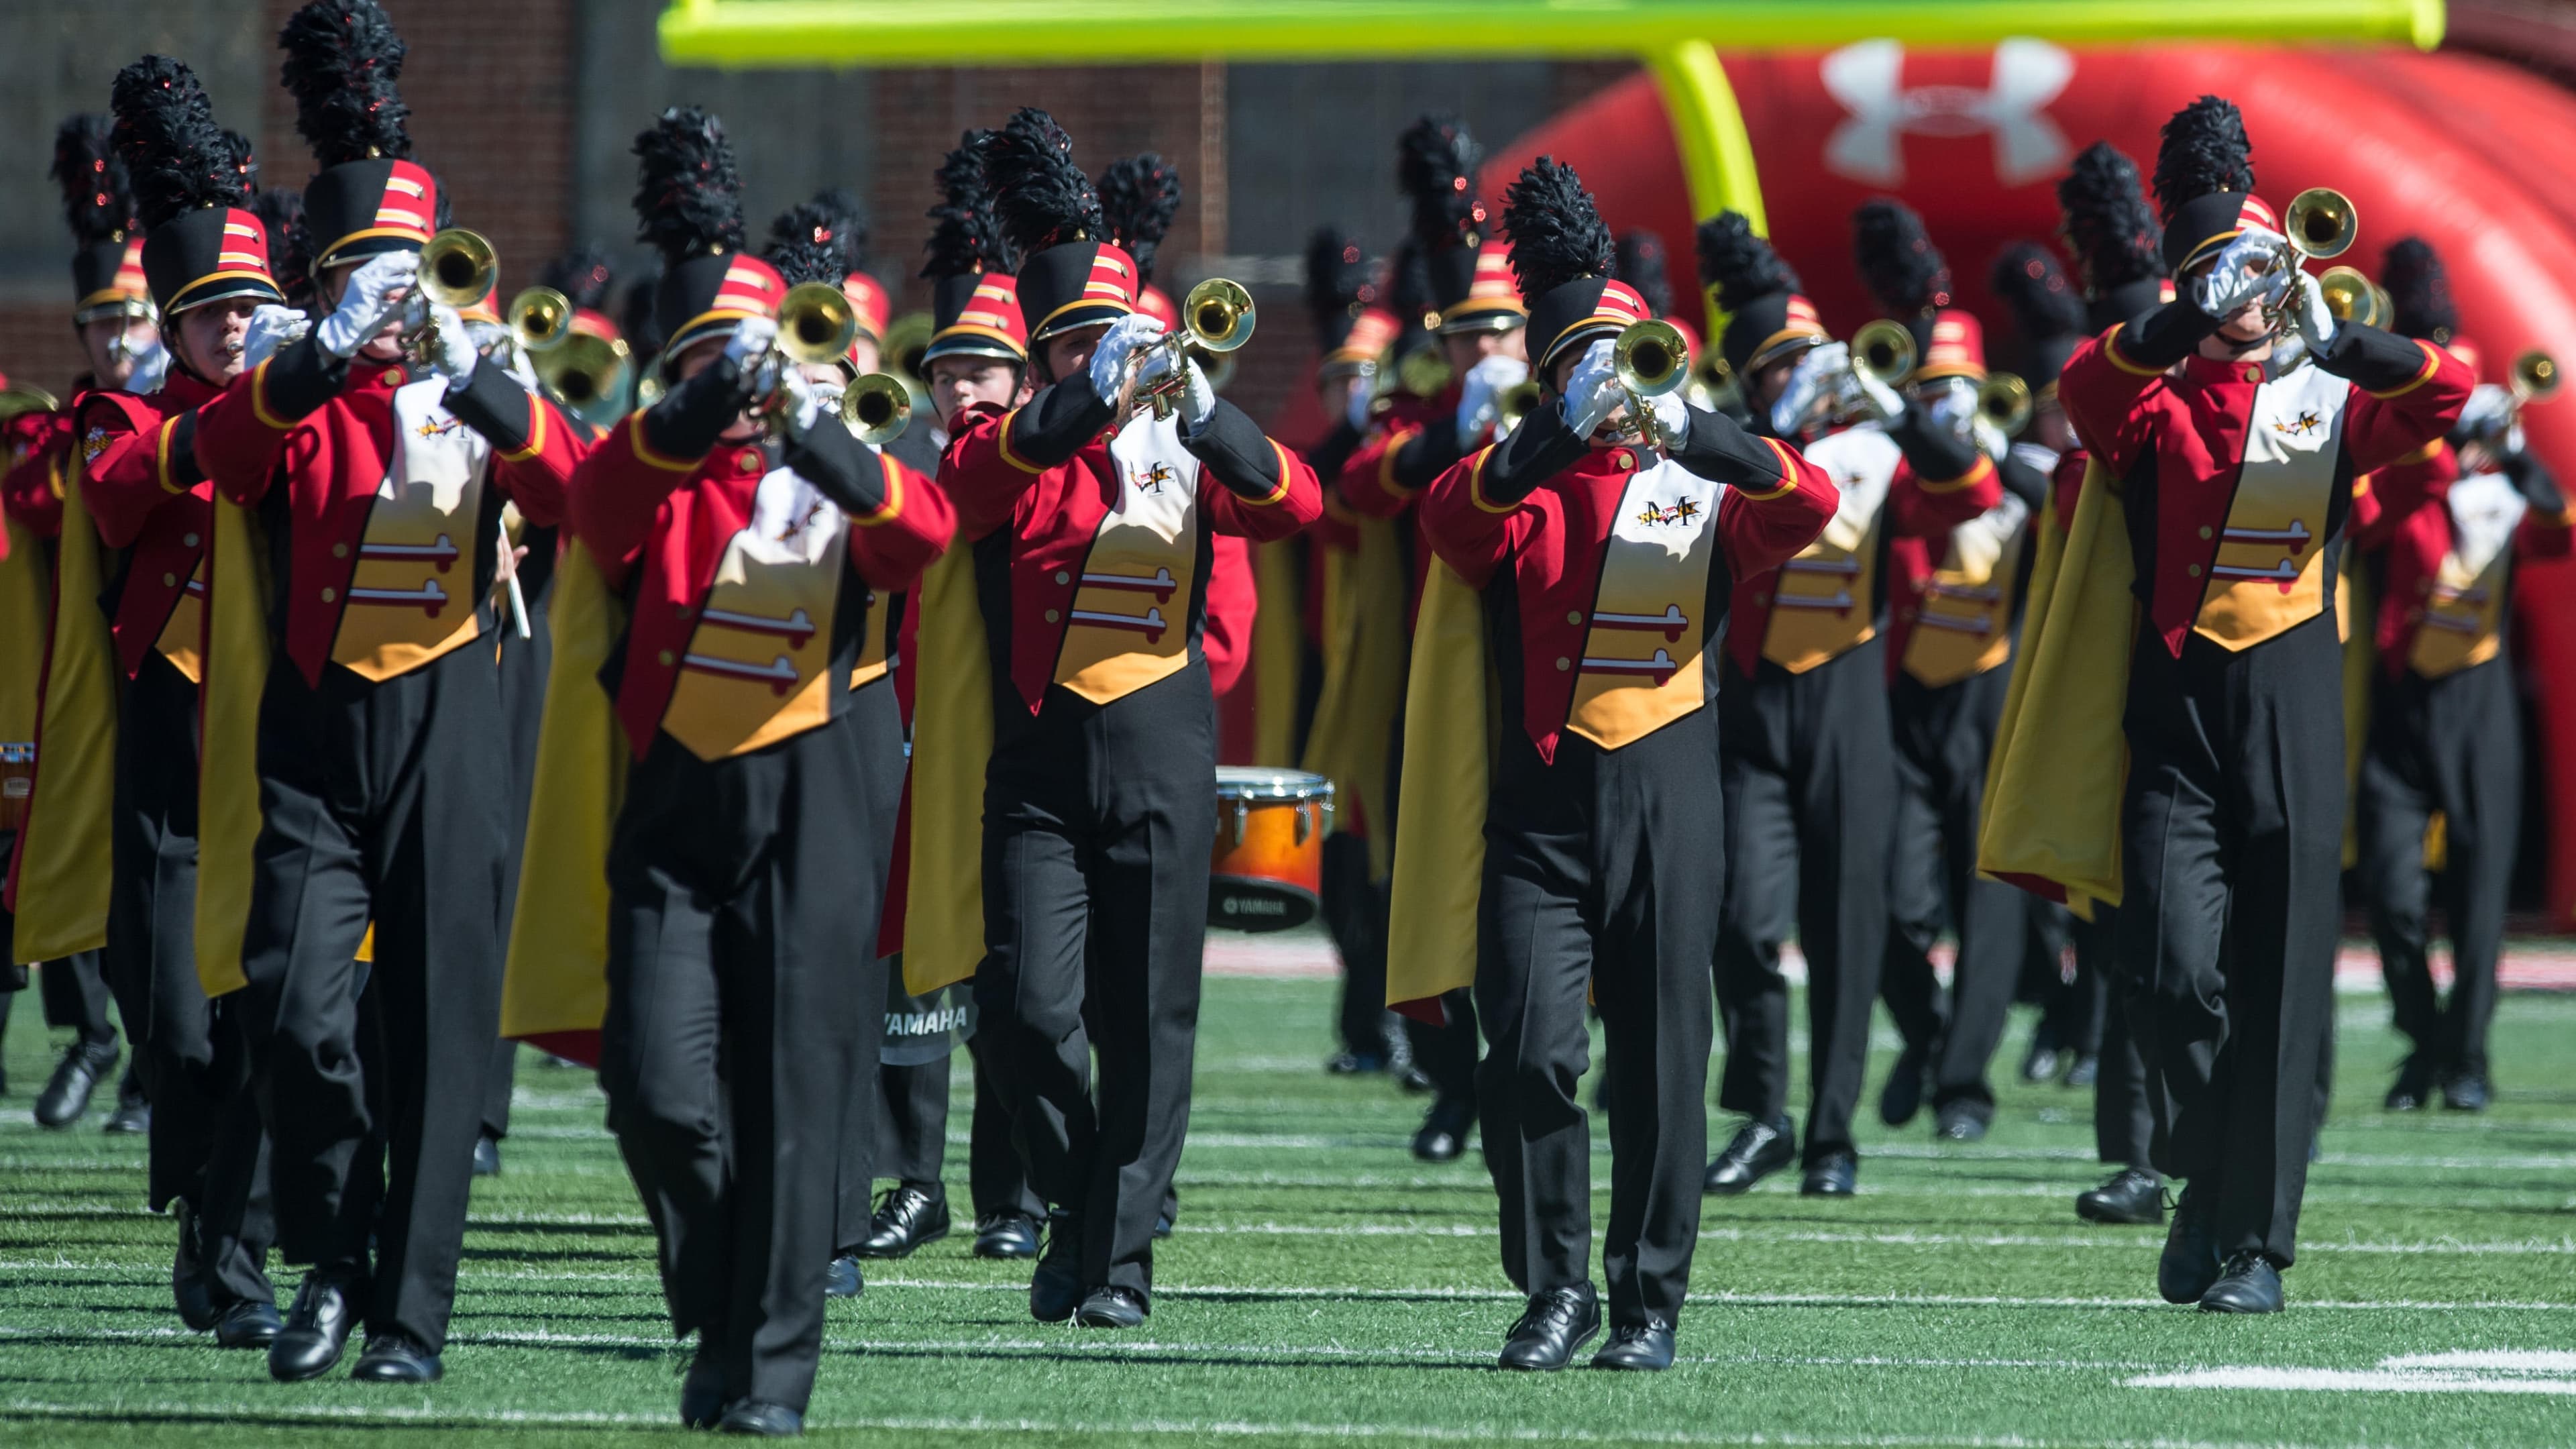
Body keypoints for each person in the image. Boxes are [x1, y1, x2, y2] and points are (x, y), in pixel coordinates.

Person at [1998, 95, 2470, 1313]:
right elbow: (2089, 391)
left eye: (2257, 270)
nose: (2245, 292)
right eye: (2224, 272)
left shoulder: (2329, 398)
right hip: (2177, 714)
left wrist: (2340, 336)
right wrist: (2183, 311)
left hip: (2296, 710)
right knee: (2163, 970)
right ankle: (2205, 1173)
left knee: (2280, 986)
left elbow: (2449, 400)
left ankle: (2254, 1245)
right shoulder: (2151, 400)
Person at [190, 0, 587, 1382]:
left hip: (451, 718)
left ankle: (401, 1313)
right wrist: (314, 351)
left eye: (406, 265)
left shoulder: (485, 376)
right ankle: (334, 1247)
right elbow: (219, 465)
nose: (392, 290)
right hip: (310, 726)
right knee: (297, 1010)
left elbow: (582, 495)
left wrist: (481, 379)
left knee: (434, 1031)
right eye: (365, 265)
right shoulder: (287, 383)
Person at [1407, 158, 1836, 1371]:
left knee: (1659, 1064)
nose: (1611, 381)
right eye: (1582, 362)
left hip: (1669, 793)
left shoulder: (1697, 486)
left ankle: (1647, 1301)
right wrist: (1555, 428)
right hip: (1541, 809)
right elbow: (1452, 519)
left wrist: (1692, 427)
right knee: (1534, 1048)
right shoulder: (1515, 482)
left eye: (1626, 358)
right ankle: (1552, 1288)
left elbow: (1802, 504)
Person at [568, 104, 954, 1434]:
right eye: (710, 364)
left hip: (820, 792)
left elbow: (923, 541)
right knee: (659, 1089)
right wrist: (694, 404)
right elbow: (597, 508)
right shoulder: (655, 470)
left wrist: (814, 425)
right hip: (679, 800)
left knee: (795, 1096)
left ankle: (766, 1373)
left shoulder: (845, 462)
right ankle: (722, 1290)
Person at [938, 107, 1319, 1329]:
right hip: (1041, 759)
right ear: (1046, 354)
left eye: (1115, 337)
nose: (1104, 356)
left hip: (1163, 738)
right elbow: (974, 488)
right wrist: (1084, 398)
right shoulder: (1009, 440)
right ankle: (1076, 1198)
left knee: (1149, 1023)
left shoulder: (1183, 439)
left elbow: (1296, 504)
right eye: (1077, 342)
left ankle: (1117, 1264)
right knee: (1023, 1009)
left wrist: (1202, 409)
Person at [54, 66, 297, 1349]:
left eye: (250, 308)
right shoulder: (133, 409)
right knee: (178, 1024)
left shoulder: (301, 412)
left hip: (275, 755)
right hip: (166, 752)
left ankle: (235, 1246)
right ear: (177, 325)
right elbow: (107, 491)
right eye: (209, 314)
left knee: (261, 1014)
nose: (232, 331)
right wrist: (241, 411)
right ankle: (208, 1221)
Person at [1697, 211, 2000, 1198]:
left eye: (1802, 360)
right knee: (1743, 919)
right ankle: (1765, 1109)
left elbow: (1970, 490)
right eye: (1775, 365)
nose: (1795, 377)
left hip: (1847, 699)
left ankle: (1831, 1134)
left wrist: (1899, 407)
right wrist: (1773, 431)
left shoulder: (1877, 448)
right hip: (1752, 707)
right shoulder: (1729, 447)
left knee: (1846, 928)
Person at [1337, 115, 1526, 1162]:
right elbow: (1355, 486)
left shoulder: (1569, 403)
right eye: (1468, 335)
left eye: (1502, 332)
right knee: (1429, 877)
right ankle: (1452, 1081)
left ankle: (1532, 1067)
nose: (1487, 349)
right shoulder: (1420, 414)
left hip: (1548, 679)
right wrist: (1455, 432)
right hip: (1436, 682)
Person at [2353, 237, 2568, 1114]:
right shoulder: (2399, 481)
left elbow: (2559, 526)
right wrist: (2434, 451)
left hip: (2479, 702)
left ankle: (2465, 1056)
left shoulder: (2510, 488)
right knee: (2394, 896)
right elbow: (2364, 525)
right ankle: (2423, 1036)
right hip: (2403, 698)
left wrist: (2513, 451)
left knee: (2480, 896)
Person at [1858, 200, 2057, 1145]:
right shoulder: (1892, 472)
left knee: (1992, 901)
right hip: (1905, 704)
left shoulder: (2023, 472)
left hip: (1995, 701)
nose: (1943, 401)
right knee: (1894, 901)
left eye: (1957, 387)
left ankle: (1966, 1086)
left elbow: (2056, 503)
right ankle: (1929, 1035)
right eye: (1927, 387)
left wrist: (1985, 452)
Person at [5, 115, 168, 1136]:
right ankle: (89, 1035)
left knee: (156, 861)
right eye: (101, 325)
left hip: (164, 666)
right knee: (59, 840)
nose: (116, 340)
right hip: (71, 674)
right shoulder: (48, 436)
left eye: (135, 321)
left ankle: (150, 1058)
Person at [2041, 140, 2174, 1228]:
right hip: (2130, 704)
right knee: (2129, 937)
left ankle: (2238, 1129)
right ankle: (2135, 1151)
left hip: (2231, 681)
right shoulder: (2105, 440)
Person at [1293, 225, 1406, 1077]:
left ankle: (1397, 1017)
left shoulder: (1399, 454)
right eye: (1339, 381)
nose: (1351, 394)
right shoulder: (1319, 455)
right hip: (1320, 676)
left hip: (1391, 675)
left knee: (1389, 857)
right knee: (1338, 862)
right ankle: (1362, 1017)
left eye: (1364, 378)